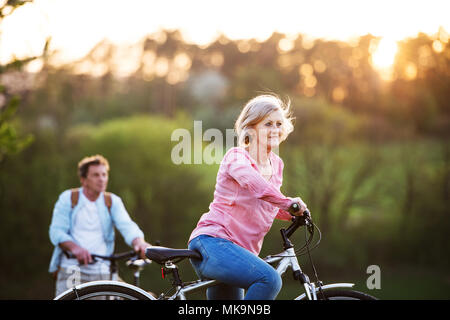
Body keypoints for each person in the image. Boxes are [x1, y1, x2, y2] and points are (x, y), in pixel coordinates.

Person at [188, 94, 309, 300]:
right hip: (214, 242)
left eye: (279, 124)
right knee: (269, 280)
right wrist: (289, 203)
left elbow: (267, 203)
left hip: (240, 252)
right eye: (268, 124)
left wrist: (292, 214)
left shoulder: (277, 164)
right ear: (251, 128)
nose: (275, 129)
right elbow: (257, 187)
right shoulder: (236, 157)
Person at [48, 154, 151, 297]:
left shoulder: (112, 201)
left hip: (102, 272)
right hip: (71, 269)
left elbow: (127, 226)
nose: (102, 179)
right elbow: (56, 232)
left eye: (104, 174)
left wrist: (139, 242)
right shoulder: (69, 198)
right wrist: (75, 248)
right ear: (83, 180)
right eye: (96, 175)